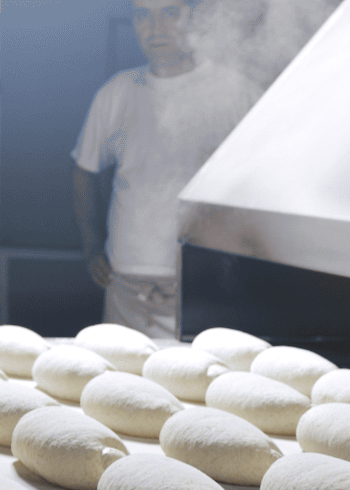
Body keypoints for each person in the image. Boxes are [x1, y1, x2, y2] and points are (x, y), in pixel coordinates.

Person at [73, 0, 254, 339]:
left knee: (196, 370)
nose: (155, 28)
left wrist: (241, 256)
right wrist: (91, 244)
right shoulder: (118, 91)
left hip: (203, 279)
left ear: (194, 17)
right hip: (125, 278)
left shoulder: (234, 90)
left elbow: (257, 182)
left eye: (170, 12)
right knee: (121, 370)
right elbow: (84, 169)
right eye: (143, 15)